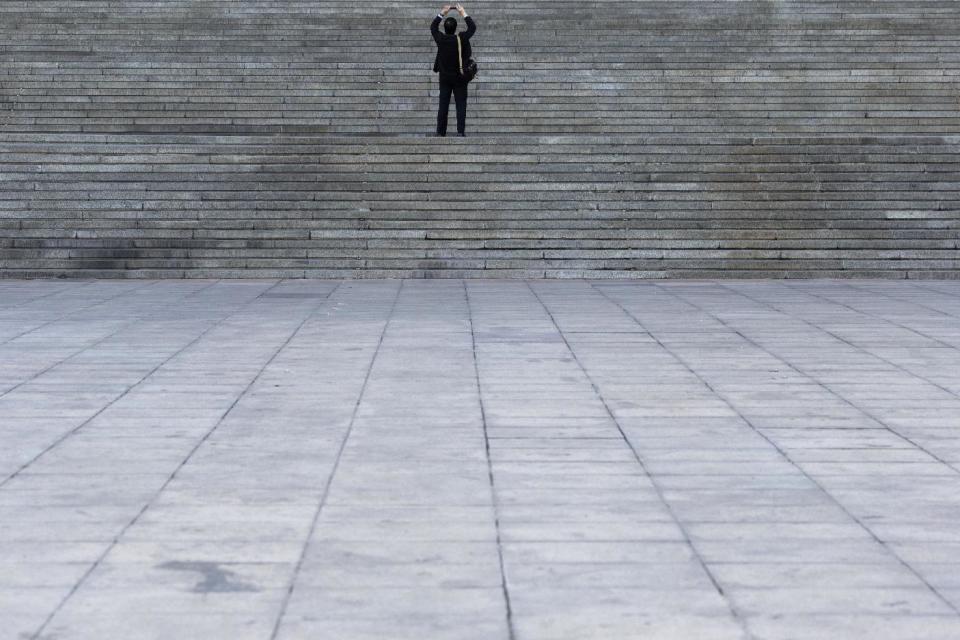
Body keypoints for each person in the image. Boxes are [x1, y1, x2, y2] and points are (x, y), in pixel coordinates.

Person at [431, 4, 476, 137]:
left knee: (443, 105)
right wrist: (463, 12)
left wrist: (442, 13)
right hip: (460, 77)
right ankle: (460, 131)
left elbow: (433, 27)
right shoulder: (461, 39)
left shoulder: (441, 39)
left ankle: (440, 132)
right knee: (461, 105)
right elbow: (472, 28)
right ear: (455, 28)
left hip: (445, 77)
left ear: (445, 28)